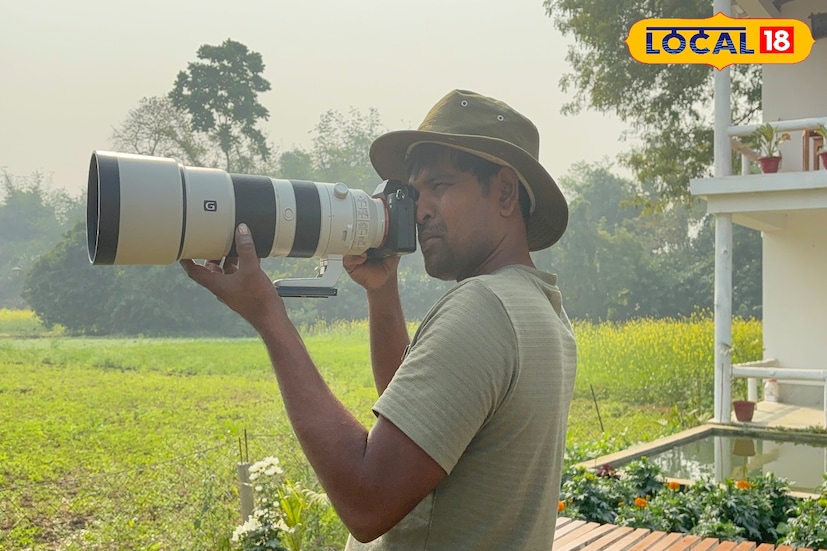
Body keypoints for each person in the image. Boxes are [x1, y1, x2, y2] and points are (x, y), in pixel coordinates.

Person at [181, 89, 577, 550]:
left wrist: (269, 317)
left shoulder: (483, 307)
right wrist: (382, 292)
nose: (420, 208)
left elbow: (366, 501)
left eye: (440, 186)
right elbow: (423, 423)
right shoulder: (543, 309)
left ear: (505, 191)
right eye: (414, 191)